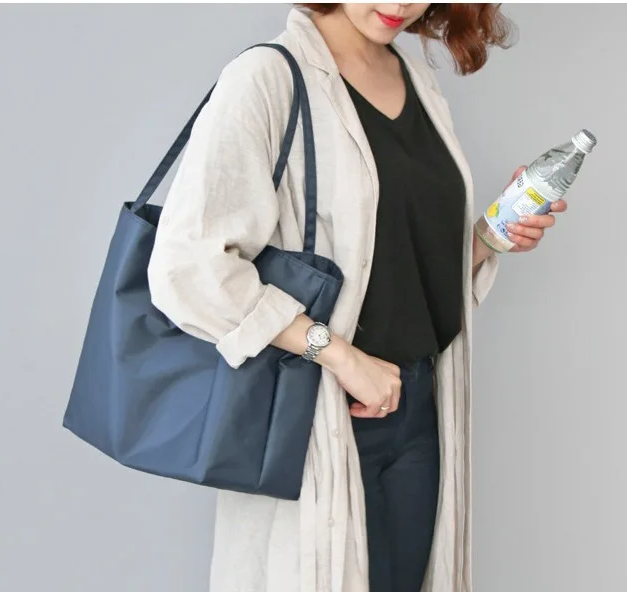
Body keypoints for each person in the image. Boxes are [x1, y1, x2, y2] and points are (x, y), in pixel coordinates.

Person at [147, 4, 567, 591]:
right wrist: (339, 355)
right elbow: (188, 265)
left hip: (417, 406)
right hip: (317, 412)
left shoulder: (415, 81)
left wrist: (486, 238)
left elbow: (396, 262)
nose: (400, 4)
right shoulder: (269, 77)